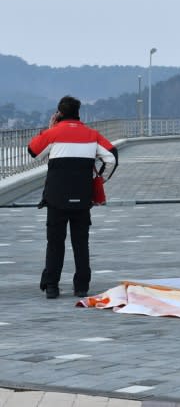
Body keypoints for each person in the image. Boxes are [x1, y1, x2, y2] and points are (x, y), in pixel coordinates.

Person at [27, 95, 118, 299]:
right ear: (78, 113)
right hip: (82, 197)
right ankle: (81, 287)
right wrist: (99, 180)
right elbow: (112, 157)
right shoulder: (92, 134)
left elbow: (33, 151)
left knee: (55, 243)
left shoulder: (54, 134)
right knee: (81, 243)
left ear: (59, 113)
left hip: (56, 198)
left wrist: (50, 129)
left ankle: (52, 286)